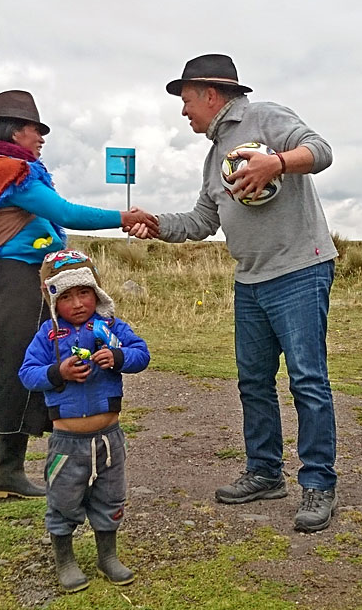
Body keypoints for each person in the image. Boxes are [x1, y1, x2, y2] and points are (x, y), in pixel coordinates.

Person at [130, 54, 338, 533]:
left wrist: (277, 162)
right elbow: (203, 222)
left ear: (210, 94)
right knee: (253, 382)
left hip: (300, 271)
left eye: (185, 101)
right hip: (250, 281)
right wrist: (156, 224)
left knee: (307, 381)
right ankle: (265, 473)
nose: (183, 112)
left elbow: (321, 150)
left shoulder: (265, 117)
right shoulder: (213, 155)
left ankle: (318, 482)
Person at [0, 90, 158, 516]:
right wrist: (123, 218)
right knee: (1, 370)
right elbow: (65, 211)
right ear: (15, 130)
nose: (41, 138)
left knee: (29, 367)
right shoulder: (6, 169)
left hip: (29, 281)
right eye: (36, 129)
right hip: (9, 281)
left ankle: (9, 475)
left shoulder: (14, 169)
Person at [19, 249, 149, 592]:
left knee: (110, 497)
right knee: (63, 500)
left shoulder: (111, 327)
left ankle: (108, 557)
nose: (77, 303)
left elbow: (141, 354)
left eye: (84, 293)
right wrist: (57, 372)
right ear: (53, 301)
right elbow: (27, 374)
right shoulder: (47, 335)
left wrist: (118, 356)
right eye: (67, 296)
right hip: (67, 441)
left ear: (97, 293)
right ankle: (65, 560)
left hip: (110, 438)